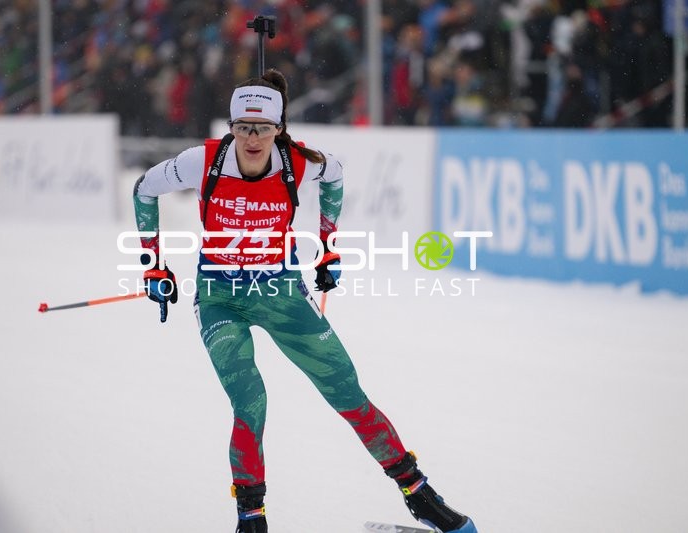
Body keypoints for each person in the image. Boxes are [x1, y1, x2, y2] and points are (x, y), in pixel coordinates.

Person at [132, 68, 477, 533]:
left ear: (279, 128)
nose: (252, 140)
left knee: (348, 394)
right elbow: (144, 188)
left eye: (264, 129)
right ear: (231, 127)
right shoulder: (202, 161)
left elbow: (336, 177)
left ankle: (420, 496)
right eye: (242, 128)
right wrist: (153, 264)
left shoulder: (299, 162)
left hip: (280, 292)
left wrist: (328, 244)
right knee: (250, 399)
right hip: (220, 297)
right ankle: (250, 517)